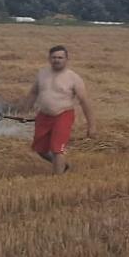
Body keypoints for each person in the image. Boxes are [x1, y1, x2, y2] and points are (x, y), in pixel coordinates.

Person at [23, 45, 95, 174]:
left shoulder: (73, 78)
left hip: (63, 115)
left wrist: (91, 126)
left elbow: (85, 102)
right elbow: (33, 93)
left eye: (60, 57)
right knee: (40, 150)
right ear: (49, 59)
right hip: (43, 116)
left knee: (57, 149)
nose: (57, 60)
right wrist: (24, 109)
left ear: (67, 59)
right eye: (54, 57)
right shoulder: (42, 73)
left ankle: (57, 178)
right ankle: (63, 166)